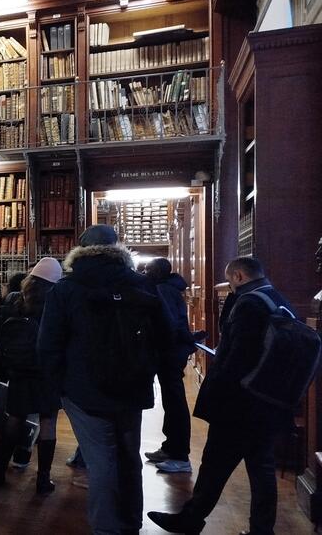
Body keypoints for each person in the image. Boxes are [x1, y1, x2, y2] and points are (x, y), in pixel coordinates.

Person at [148, 257, 296, 535]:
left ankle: (190, 520)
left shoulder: (249, 304)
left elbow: (236, 357)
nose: (230, 286)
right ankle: (262, 529)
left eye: (230, 280)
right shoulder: (277, 298)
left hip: (240, 402)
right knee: (261, 467)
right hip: (269, 399)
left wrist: (218, 394)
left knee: (214, 464)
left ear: (239, 276)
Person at [39, 225, 170, 534]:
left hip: (83, 390)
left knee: (100, 462)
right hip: (132, 389)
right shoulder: (143, 284)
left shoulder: (65, 288)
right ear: (118, 248)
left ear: (79, 250)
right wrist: (145, 372)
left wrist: (61, 387)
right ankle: (130, 524)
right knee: (129, 458)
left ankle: (107, 528)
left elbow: (48, 345)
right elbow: (166, 338)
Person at [0, 257, 63, 495]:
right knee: (48, 422)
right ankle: (43, 479)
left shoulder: (17, 301)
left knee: (14, 418)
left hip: (19, 371)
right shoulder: (57, 303)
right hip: (47, 371)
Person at [144, 257, 197, 474]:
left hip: (168, 353)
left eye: (148, 269)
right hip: (173, 351)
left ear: (157, 272)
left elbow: (167, 324)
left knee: (174, 403)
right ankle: (170, 447)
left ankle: (179, 455)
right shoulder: (170, 287)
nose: (144, 272)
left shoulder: (163, 290)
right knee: (171, 401)